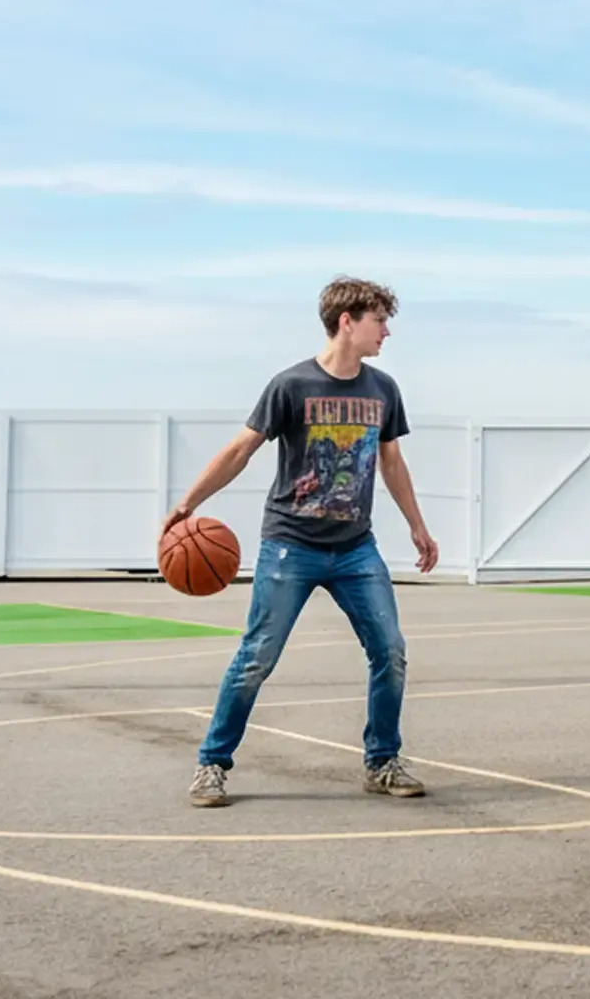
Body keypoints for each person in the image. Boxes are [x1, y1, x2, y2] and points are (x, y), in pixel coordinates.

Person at [166, 276, 440, 807]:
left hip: (357, 549)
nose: (386, 331)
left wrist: (418, 526)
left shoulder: (382, 389)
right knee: (256, 658)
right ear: (347, 322)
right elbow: (241, 449)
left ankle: (382, 761)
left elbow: (391, 461)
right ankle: (211, 765)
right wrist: (187, 505)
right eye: (379, 320)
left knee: (391, 652)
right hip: (291, 545)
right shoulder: (292, 385)